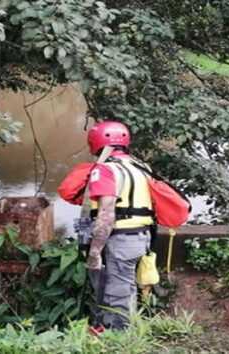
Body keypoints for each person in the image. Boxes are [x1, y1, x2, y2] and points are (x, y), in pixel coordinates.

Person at [84, 121, 154, 331]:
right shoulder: (141, 167)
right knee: (125, 288)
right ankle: (123, 332)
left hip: (119, 241)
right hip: (141, 237)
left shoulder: (106, 170)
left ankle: (120, 339)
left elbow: (106, 215)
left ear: (94, 143)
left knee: (115, 295)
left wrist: (94, 252)